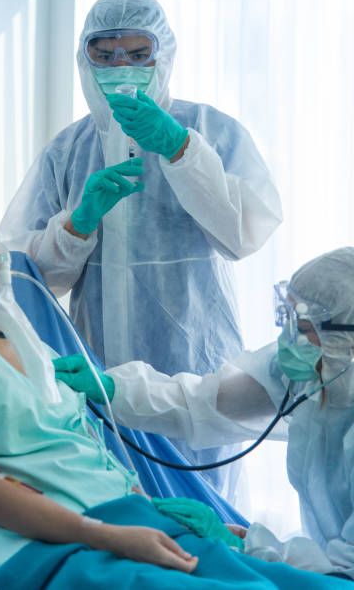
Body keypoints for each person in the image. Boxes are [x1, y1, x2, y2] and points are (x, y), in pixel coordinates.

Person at [0, 191, 348, 590]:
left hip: (127, 523)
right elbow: (205, 401)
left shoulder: (28, 345)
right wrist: (113, 392)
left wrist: (244, 541)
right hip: (76, 539)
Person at [0, 0, 282, 494]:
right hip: (99, 374)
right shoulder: (67, 151)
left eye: (137, 53)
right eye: (104, 54)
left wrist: (180, 151)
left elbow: (245, 234)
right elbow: (21, 277)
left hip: (199, 367)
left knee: (208, 518)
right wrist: (76, 225)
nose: (120, 65)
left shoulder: (212, 130)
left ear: (164, 53)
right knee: (121, 516)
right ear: (85, 59)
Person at [57, 246, 354, 580]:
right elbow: (208, 401)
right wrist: (115, 389)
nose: (287, 338)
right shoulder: (315, 370)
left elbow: (345, 573)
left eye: (302, 325)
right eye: (286, 317)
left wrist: (250, 546)